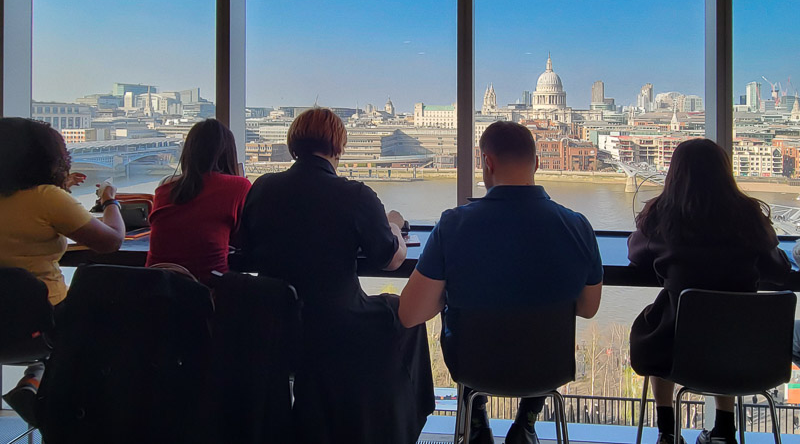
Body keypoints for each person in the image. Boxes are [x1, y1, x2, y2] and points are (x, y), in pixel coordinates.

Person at [398, 121, 604, 444]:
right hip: (548, 369)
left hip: (472, 368)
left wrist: (450, 295)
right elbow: (589, 308)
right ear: (536, 163)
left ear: (487, 163)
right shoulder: (578, 227)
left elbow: (409, 314)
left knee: (459, 314)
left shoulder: (453, 225)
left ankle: (476, 416)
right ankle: (527, 421)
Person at [238, 107, 434, 443]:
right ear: (338, 147)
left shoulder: (261, 188)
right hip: (338, 328)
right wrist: (394, 226)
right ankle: (400, 422)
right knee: (405, 314)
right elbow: (390, 259)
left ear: (293, 145)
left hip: (276, 328)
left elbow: (243, 247)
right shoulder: (354, 195)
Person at [628, 139, 791, 444]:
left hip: (677, 350)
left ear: (673, 174)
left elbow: (637, 258)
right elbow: (779, 272)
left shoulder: (662, 217)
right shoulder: (749, 216)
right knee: (724, 329)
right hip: (746, 351)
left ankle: (667, 432)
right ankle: (724, 432)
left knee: (660, 329)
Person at [0, 118, 126, 425]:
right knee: (108, 316)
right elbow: (111, 241)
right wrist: (111, 201)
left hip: (3, 324)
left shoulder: (43, 197)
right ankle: (86, 410)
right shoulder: (46, 198)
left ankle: (37, 378)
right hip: (39, 323)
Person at [146, 119, 251, 285]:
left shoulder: (165, 188)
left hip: (156, 290)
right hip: (208, 292)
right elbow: (242, 239)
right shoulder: (238, 186)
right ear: (228, 153)